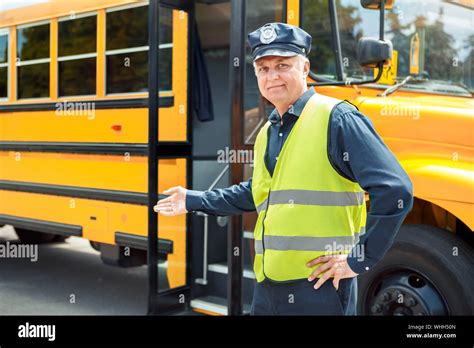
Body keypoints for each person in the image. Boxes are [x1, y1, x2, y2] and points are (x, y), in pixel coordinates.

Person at [154, 22, 413, 316]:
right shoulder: (268, 131)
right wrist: (193, 199)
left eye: (282, 65)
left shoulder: (337, 117)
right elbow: (257, 193)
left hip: (319, 286)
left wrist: (358, 260)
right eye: (263, 69)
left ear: (305, 69)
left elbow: (395, 189)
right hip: (268, 285)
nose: (272, 76)